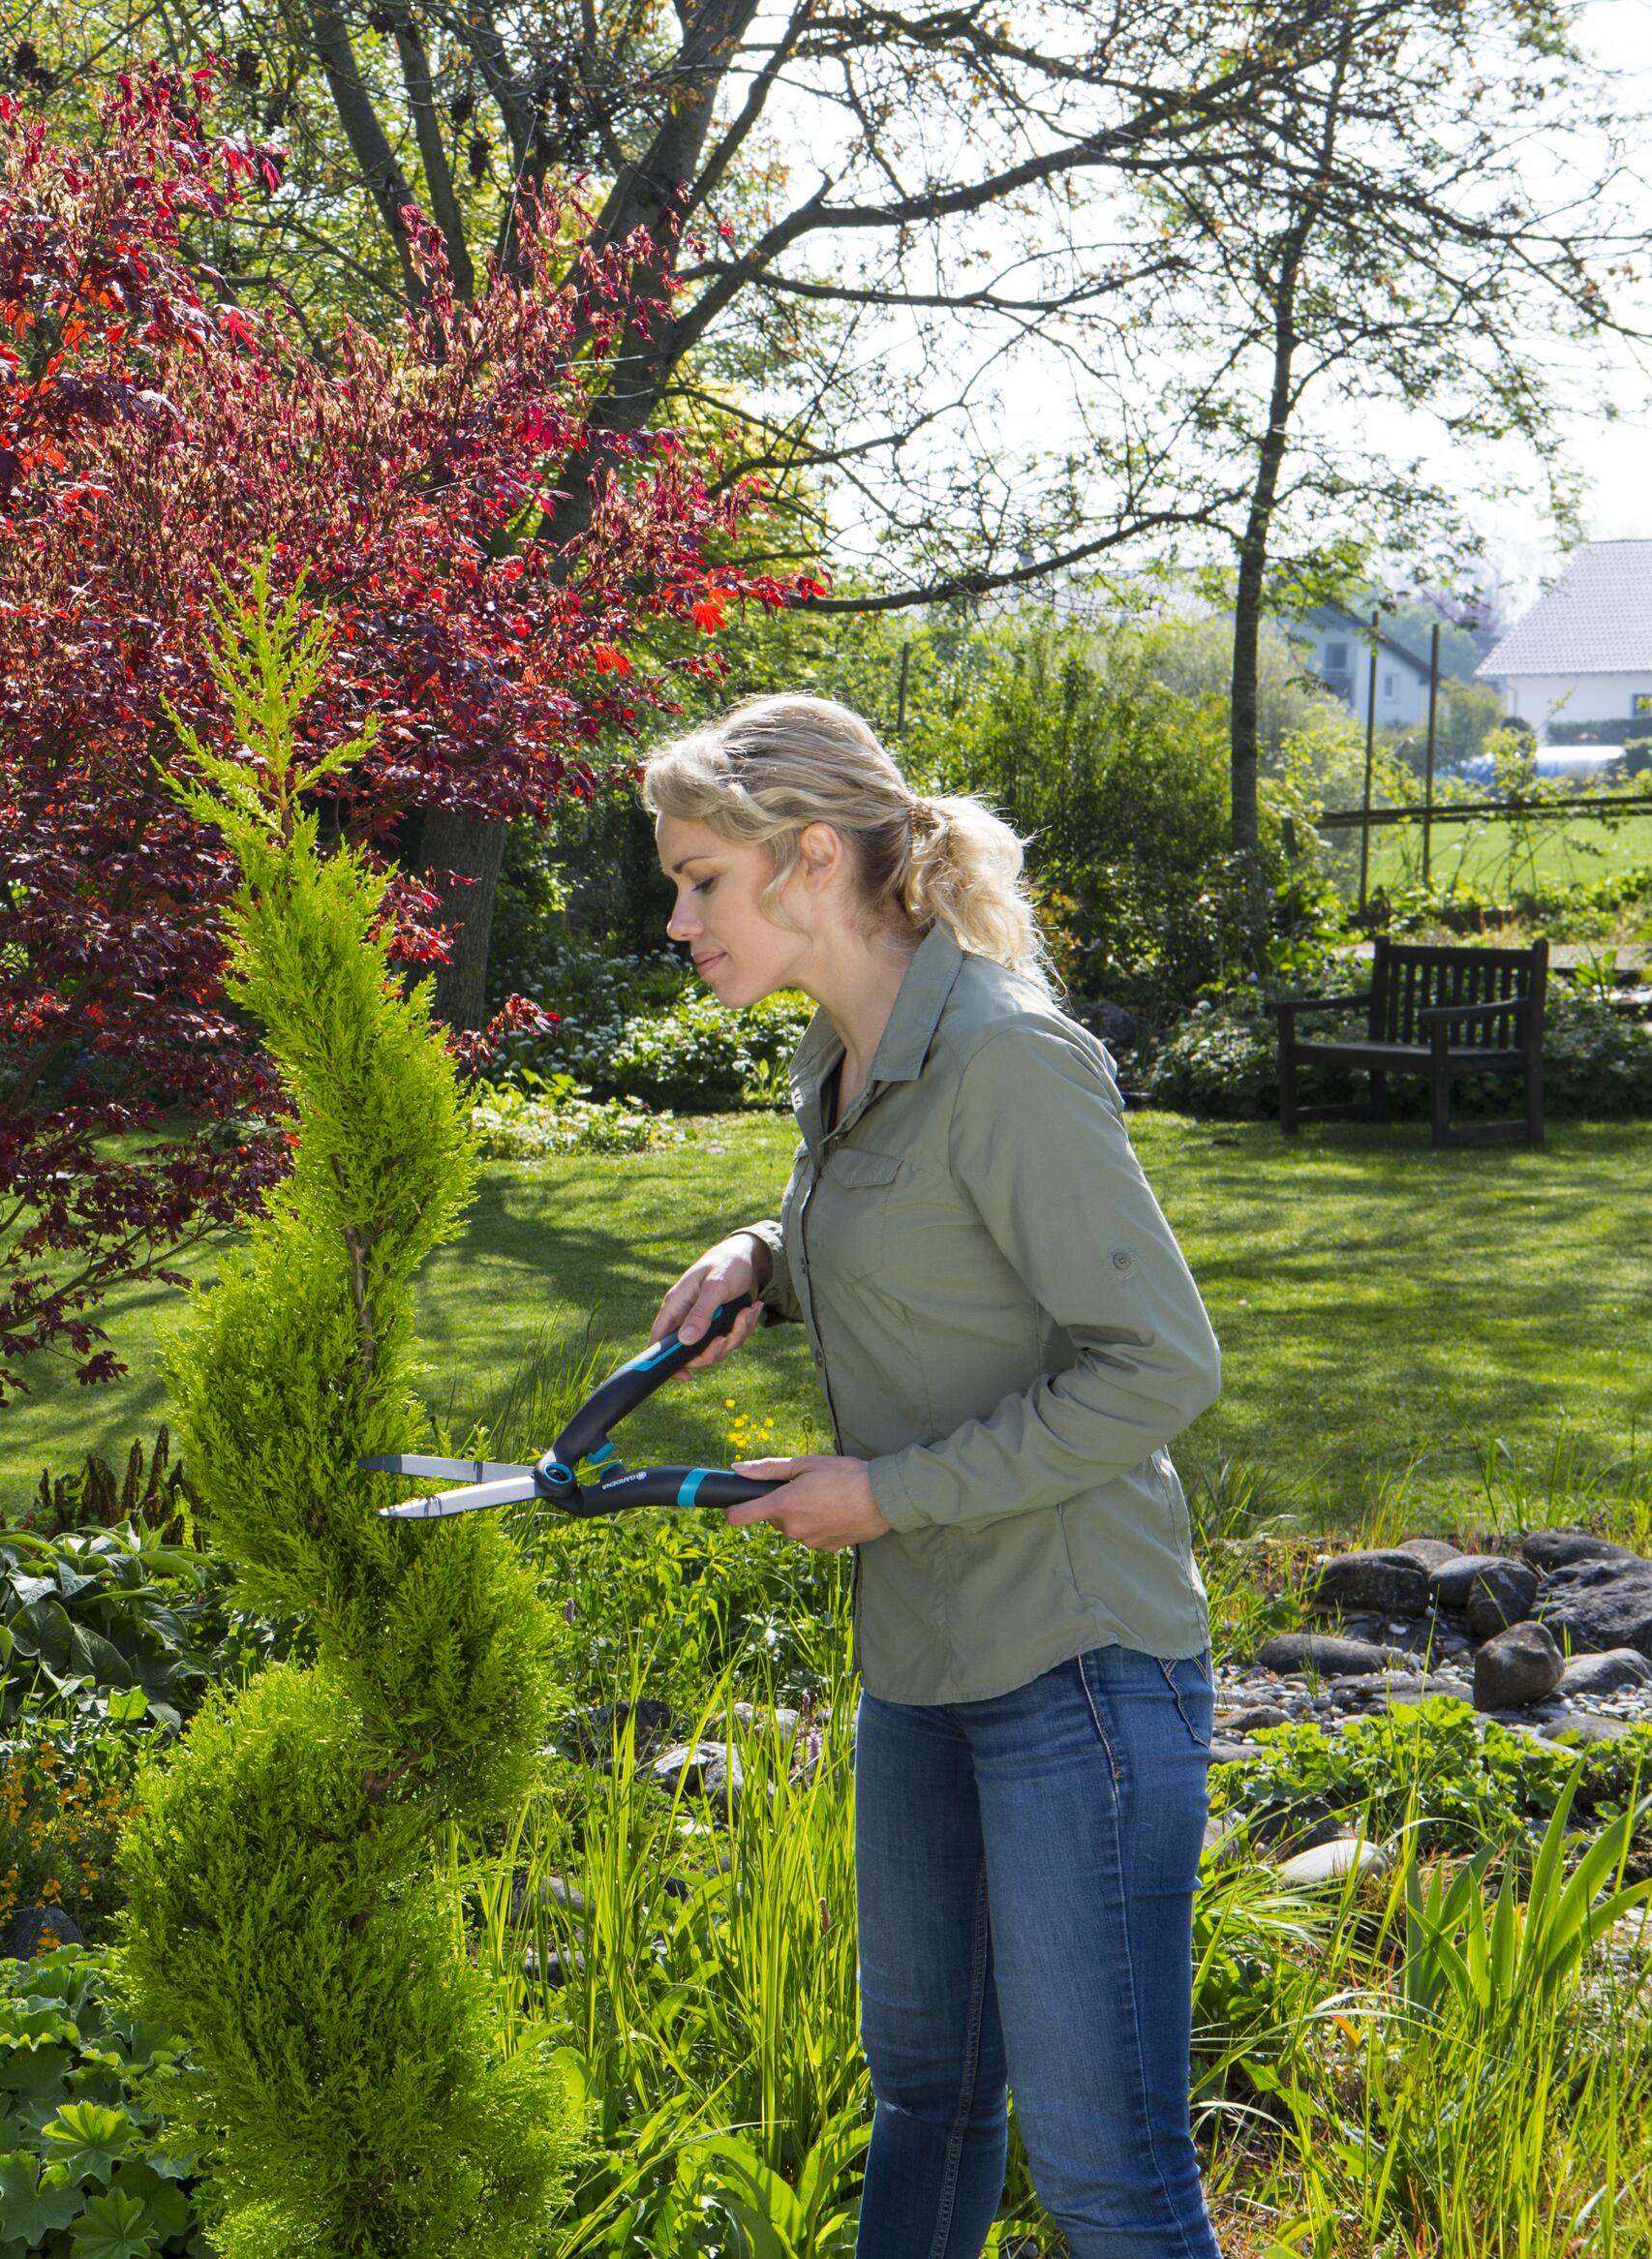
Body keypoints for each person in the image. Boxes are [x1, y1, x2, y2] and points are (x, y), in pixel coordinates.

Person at [640, 694, 1226, 2259]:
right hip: (922, 1664)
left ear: (810, 857)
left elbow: (1162, 1366)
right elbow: (923, 1261)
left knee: (1107, 2177)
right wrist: (762, 1256)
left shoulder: (1009, 1061)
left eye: (701, 877)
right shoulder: (843, 1070)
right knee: (929, 2101)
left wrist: (885, 1495)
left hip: (1077, 1669)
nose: (680, 917)